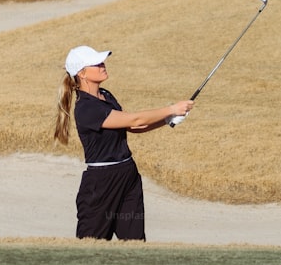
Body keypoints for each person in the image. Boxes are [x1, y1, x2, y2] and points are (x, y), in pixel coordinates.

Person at [53, 45, 194, 241]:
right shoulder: (86, 108)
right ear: (82, 73)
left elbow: (134, 127)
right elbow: (134, 120)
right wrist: (171, 108)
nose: (103, 65)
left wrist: (167, 120)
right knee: (90, 246)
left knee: (135, 242)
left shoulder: (106, 96)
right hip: (101, 183)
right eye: (96, 63)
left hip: (128, 174)